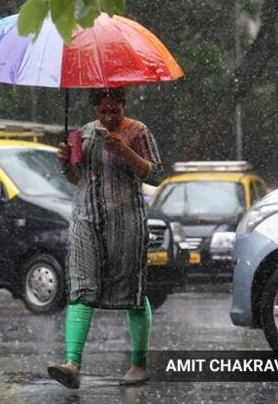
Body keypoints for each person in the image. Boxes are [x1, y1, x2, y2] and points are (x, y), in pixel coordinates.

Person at [48, 88, 163, 389]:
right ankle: (72, 364)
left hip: (126, 222)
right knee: (81, 286)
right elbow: (77, 178)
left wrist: (125, 150)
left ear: (124, 104)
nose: (109, 116)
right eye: (103, 111)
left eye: (115, 110)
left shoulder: (138, 131)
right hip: (86, 218)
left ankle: (139, 364)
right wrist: (64, 162)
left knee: (132, 292)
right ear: (96, 109)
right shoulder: (85, 134)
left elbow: (155, 174)